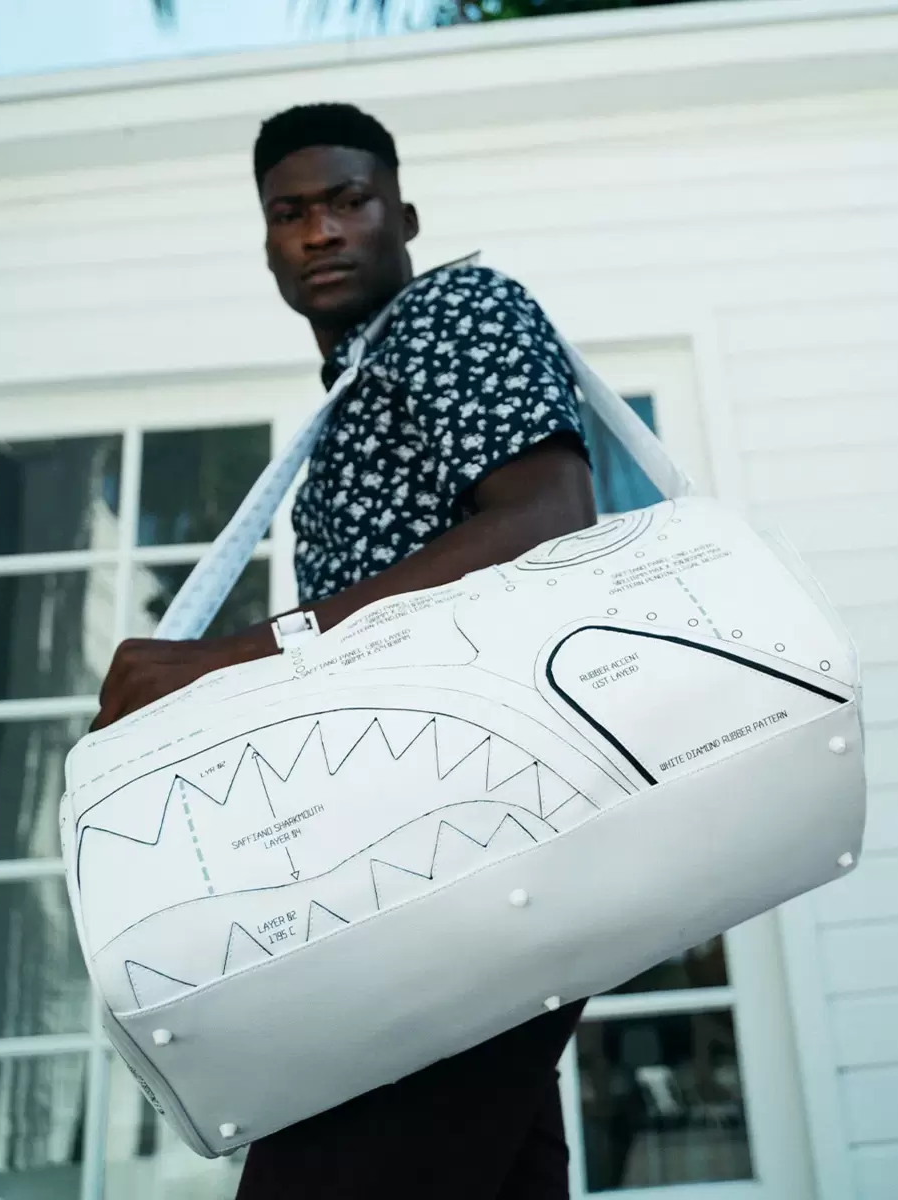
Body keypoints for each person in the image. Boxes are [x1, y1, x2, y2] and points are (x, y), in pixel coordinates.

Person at [93, 103, 597, 1199]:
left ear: (403, 216)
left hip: (475, 843)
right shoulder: (356, 391)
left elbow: (548, 517)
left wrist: (233, 657)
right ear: (268, 244)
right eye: (290, 213)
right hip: (429, 849)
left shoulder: (457, 309)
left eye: (347, 201)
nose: (319, 231)